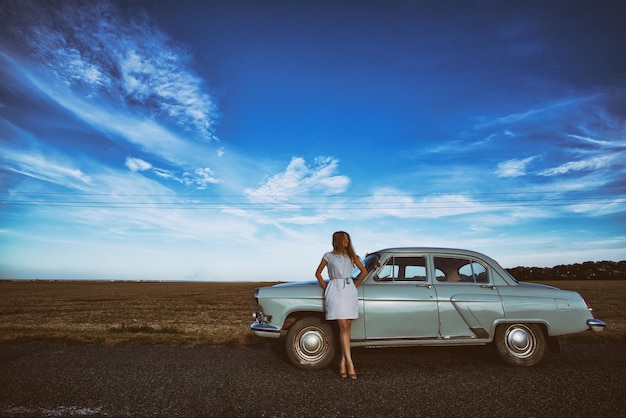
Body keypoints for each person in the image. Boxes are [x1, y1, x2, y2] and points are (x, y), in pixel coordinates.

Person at [315, 231, 367, 380]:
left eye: (348, 239)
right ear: (337, 240)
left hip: (349, 290)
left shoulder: (351, 256)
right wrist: (327, 288)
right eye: (345, 239)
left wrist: (354, 285)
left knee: (347, 326)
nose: (347, 242)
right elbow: (318, 273)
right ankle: (350, 363)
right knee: (343, 327)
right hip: (335, 290)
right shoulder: (328, 256)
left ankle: (343, 361)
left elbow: (364, 272)